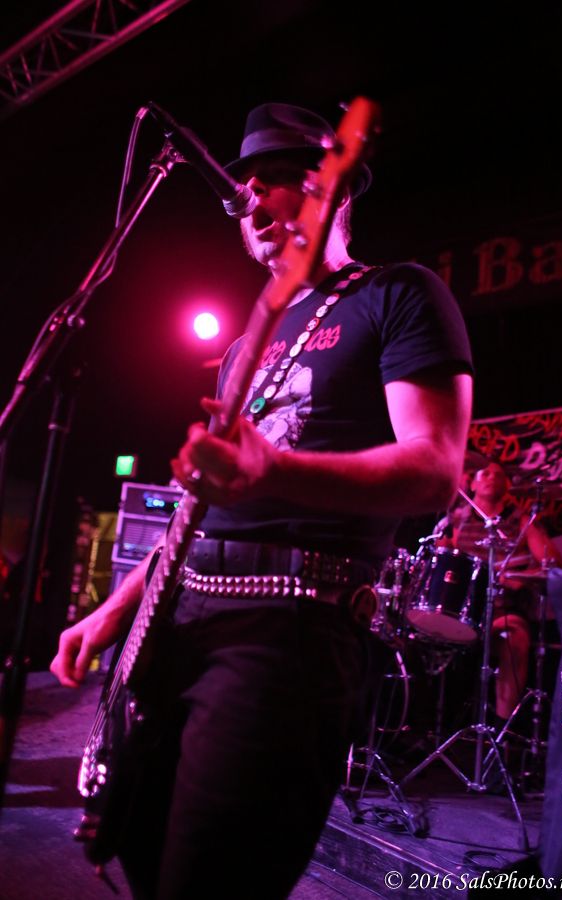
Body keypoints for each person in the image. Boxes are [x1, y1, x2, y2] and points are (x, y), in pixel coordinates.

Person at [51, 102, 473, 899]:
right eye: (243, 184)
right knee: (140, 855)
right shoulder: (245, 347)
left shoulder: (398, 294)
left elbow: (434, 468)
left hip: (287, 630)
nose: (251, 197)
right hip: (181, 615)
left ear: (330, 190)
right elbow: (199, 509)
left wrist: (272, 470)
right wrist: (115, 611)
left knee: (209, 880)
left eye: (276, 177)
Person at [436, 461, 562, 726]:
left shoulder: (522, 521)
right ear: (472, 484)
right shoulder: (455, 521)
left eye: (499, 474)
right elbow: (437, 564)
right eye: (485, 473)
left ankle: (501, 731)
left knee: (514, 638)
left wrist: (519, 578)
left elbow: (553, 566)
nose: (492, 477)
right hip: (461, 612)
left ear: (507, 486)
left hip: (504, 612)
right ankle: (434, 724)